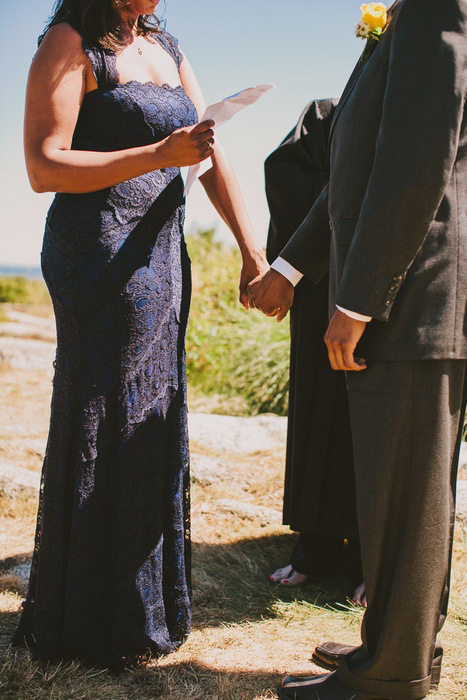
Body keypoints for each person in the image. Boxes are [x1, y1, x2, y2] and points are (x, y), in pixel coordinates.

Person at [12, 0, 268, 671]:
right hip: (96, 250)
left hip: (159, 252)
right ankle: (88, 616)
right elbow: (44, 167)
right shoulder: (70, 42)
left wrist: (251, 251)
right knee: (109, 414)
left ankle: (141, 605)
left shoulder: (166, 45)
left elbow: (208, 155)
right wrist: (157, 153)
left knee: (152, 412)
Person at [247, 0, 467, 698]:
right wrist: (289, 267)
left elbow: (413, 162)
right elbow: (354, 164)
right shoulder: (404, 16)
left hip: (413, 290)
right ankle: (396, 643)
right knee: (402, 485)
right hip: (399, 287)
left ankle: (391, 674)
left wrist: (357, 300)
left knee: (406, 488)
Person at [264, 99, 364, 601]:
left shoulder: (422, 109)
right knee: (319, 422)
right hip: (320, 286)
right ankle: (316, 548)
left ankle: (373, 559)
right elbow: (282, 171)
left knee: (373, 427)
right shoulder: (328, 113)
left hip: (388, 291)